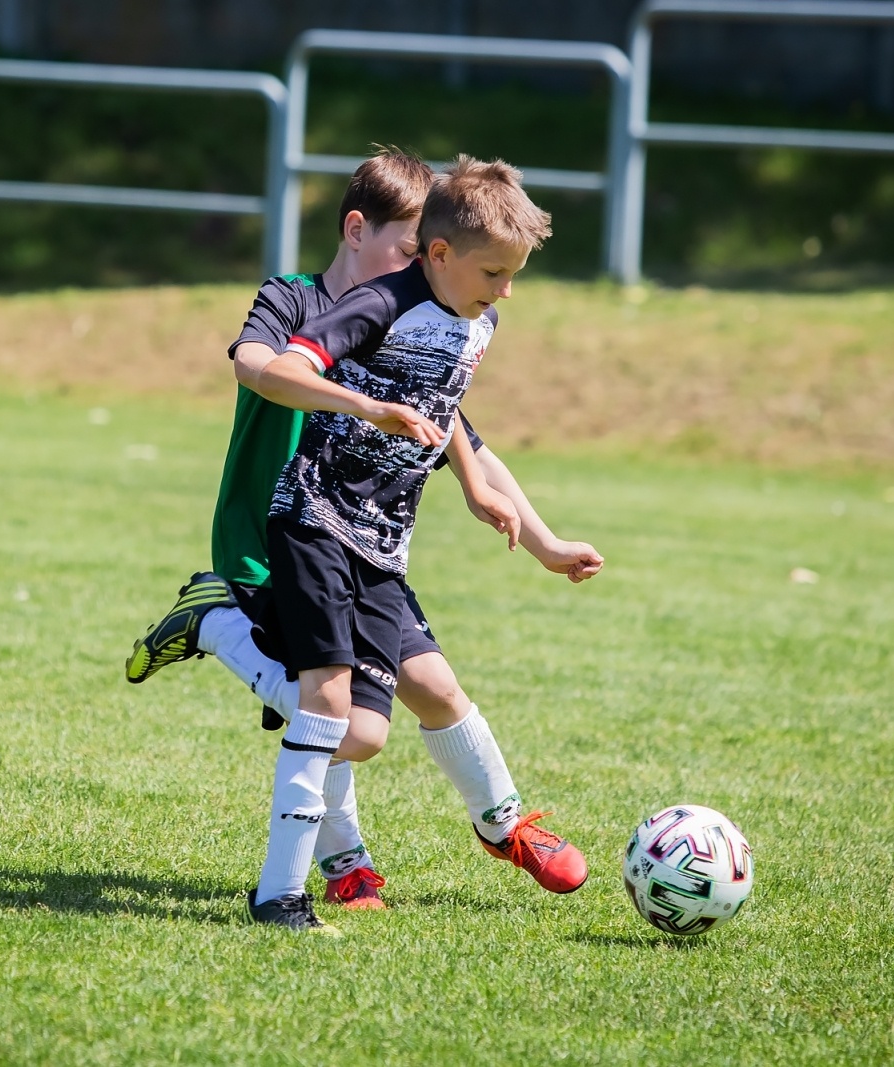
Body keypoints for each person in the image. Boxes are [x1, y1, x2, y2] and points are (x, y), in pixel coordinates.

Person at [127, 151, 603, 914]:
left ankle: (503, 823)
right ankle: (336, 867)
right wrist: (365, 406)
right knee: (329, 705)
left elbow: (454, 426)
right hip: (277, 538)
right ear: (363, 232)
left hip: (374, 540)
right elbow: (261, 366)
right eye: (410, 252)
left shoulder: (446, 319)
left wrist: (527, 527)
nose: (416, 269)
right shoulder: (304, 301)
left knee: (411, 699)